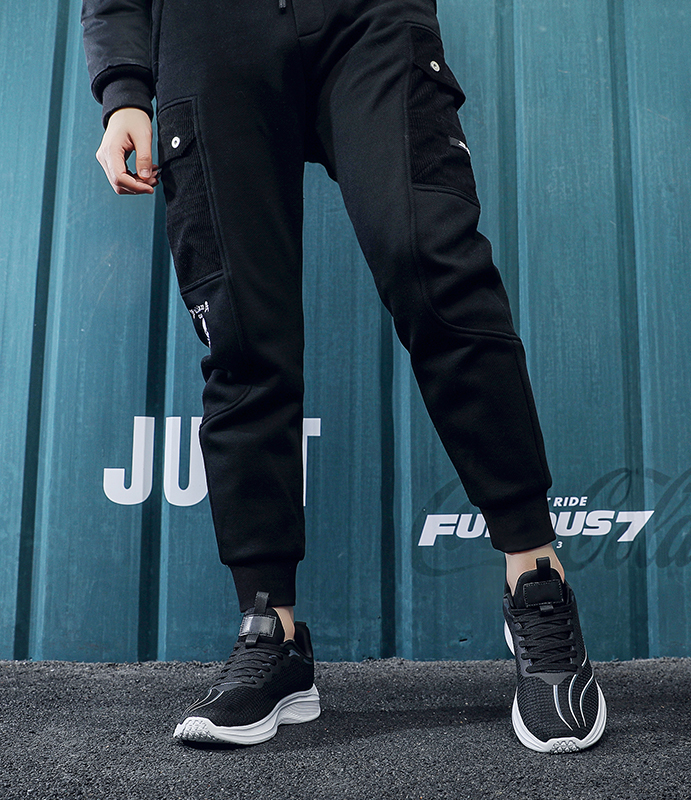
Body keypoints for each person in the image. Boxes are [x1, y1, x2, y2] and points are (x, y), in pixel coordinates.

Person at [81, 0, 606, 753]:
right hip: (206, 30)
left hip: (366, 19)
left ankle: (535, 580)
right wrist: (124, 89)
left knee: (431, 263)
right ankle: (271, 633)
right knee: (240, 327)